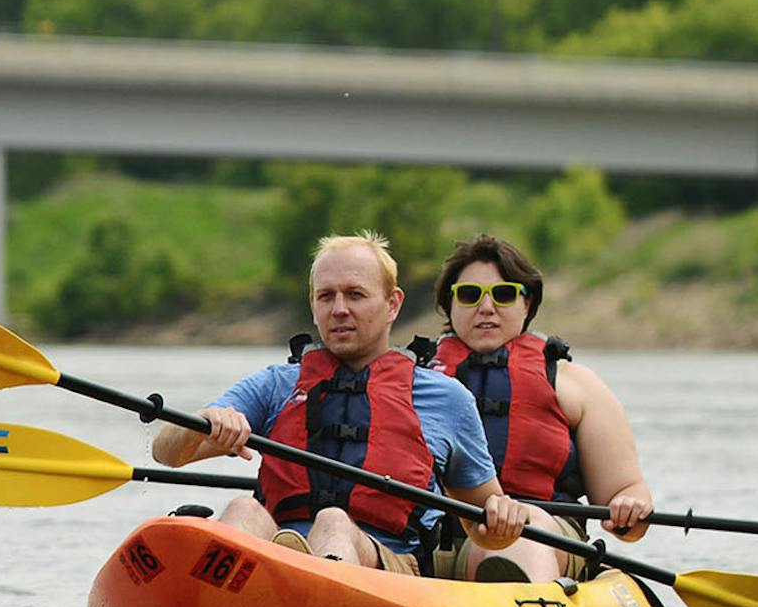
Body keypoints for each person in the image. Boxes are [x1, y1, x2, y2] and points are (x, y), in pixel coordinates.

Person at [151, 231, 531, 575]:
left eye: (355, 294)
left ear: (392, 304)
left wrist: (502, 519)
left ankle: (306, 604)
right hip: (273, 556)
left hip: (388, 569)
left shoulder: (446, 398)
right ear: (313, 305)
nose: (339, 310)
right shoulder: (276, 384)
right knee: (243, 509)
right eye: (326, 296)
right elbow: (166, 453)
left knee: (333, 522)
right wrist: (203, 420)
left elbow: (484, 530)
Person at [425, 233, 653, 582]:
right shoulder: (416, 382)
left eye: (503, 295)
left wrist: (630, 508)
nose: (486, 308)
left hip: (544, 535)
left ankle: (519, 602)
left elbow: (627, 501)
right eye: (469, 296)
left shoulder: (575, 385)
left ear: (527, 304)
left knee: (525, 526)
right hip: (432, 544)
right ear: (450, 305)